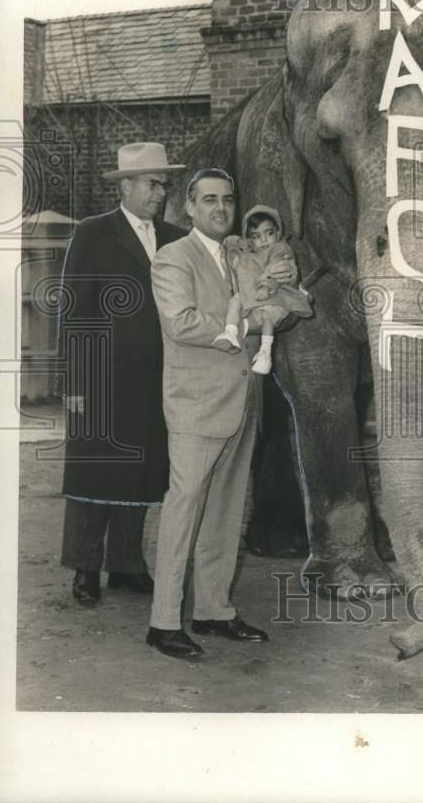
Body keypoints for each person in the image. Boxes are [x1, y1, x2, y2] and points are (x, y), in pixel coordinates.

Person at [146, 168, 296, 659]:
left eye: (227, 200)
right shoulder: (173, 257)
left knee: (226, 512)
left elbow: (277, 301)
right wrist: (254, 321)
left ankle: (213, 610)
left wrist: (278, 310)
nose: (220, 209)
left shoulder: (241, 254)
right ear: (188, 207)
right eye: (208, 200)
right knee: (184, 507)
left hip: (243, 399)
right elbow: (182, 323)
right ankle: (164, 621)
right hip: (196, 404)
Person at [59, 142, 186, 605]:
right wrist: (76, 384)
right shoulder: (94, 233)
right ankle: (86, 569)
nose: (161, 193)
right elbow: (75, 312)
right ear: (127, 186)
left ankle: (127, 566)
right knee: (96, 473)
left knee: (143, 471)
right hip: (103, 378)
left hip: (159, 379)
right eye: (153, 184)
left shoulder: (175, 237)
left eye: (164, 186)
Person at [214, 205, 313, 374]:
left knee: (268, 316)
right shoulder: (252, 252)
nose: (264, 240)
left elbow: (276, 270)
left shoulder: (280, 249)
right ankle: (230, 331)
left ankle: (265, 352)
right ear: (251, 239)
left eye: (269, 233)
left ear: (278, 232)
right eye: (257, 236)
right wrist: (231, 242)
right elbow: (238, 244)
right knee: (235, 300)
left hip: (277, 294)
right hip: (255, 296)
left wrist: (264, 287)